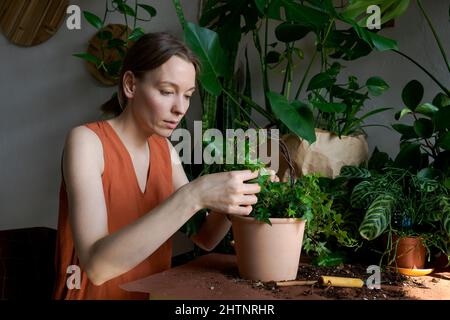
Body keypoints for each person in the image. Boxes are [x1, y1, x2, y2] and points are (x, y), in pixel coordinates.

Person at [53, 32, 276, 300]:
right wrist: (195, 194)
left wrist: (236, 196)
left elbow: (204, 237)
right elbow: (97, 266)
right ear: (131, 85)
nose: (180, 108)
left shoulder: (165, 150)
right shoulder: (87, 142)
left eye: (188, 95)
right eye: (167, 92)